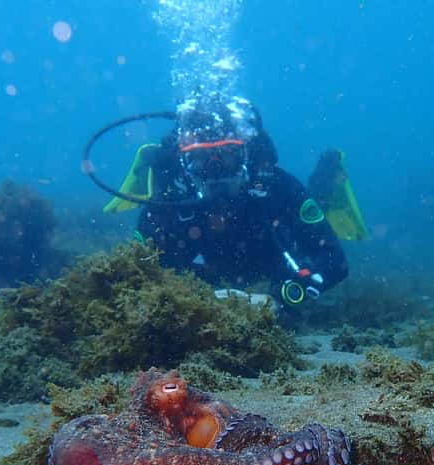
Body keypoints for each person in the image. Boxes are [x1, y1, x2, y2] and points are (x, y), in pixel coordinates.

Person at [103, 94, 357, 313]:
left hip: (269, 268)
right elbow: (137, 273)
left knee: (316, 204)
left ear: (245, 154)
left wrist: (284, 297)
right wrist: (191, 300)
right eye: (201, 158)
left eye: (227, 155)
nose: (215, 171)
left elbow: (335, 261)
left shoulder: (276, 189)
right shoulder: (169, 201)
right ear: (184, 162)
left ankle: (327, 178)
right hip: (205, 278)